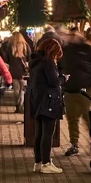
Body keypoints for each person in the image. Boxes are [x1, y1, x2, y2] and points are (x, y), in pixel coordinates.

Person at [59, 29, 91, 157]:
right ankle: (74, 144)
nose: (71, 37)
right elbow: (60, 66)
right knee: (72, 118)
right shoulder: (65, 50)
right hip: (70, 90)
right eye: (70, 35)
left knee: (88, 117)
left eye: (74, 34)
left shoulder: (87, 49)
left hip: (86, 89)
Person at [27, 36, 66, 174]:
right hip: (48, 100)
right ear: (52, 51)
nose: (57, 58)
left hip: (37, 99)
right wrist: (63, 78)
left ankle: (38, 162)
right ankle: (46, 163)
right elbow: (54, 81)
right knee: (48, 133)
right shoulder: (48, 63)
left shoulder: (36, 62)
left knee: (39, 133)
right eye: (57, 54)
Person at [0, 30, 31, 114]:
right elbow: (30, 58)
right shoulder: (26, 46)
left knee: (16, 89)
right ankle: (21, 105)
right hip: (23, 71)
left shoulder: (10, 46)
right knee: (22, 89)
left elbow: (6, 60)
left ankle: (18, 105)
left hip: (13, 70)